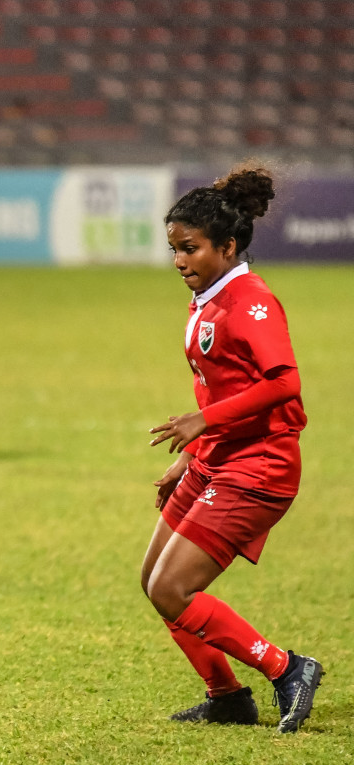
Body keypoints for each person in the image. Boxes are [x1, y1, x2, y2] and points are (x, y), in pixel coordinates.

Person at [142, 165, 322, 734]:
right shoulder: (210, 295)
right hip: (218, 457)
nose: (179, 262)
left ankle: (287, 667)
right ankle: (227, 697)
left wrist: (202, 421)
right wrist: (190, 458)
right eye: (174, 249)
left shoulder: (251, 301)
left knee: (173, 588)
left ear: (227, 245)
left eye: (190, 249)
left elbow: (283, 383)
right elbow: (227, 385)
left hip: (260, 466)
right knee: (156, 582)